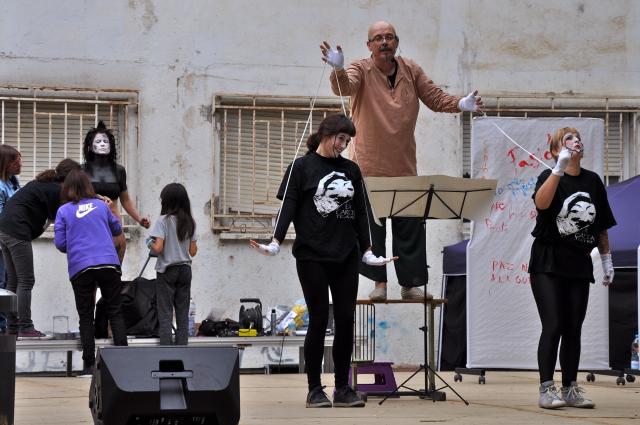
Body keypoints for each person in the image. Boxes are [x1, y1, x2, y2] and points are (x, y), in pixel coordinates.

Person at [320, 21, 484, 301]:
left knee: (410, 227)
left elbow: (434, 97)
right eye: (378, 38)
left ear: (396, 42)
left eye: (389, 37)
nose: (384, 42)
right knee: (372, 230)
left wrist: (460, 104)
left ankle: (410, 286)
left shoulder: (411, 69)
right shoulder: (360, 68)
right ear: (369, 45)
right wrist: (337, 68)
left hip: (404, 165)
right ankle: (380, 285)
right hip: (367, 167)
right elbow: (344, 87)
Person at [250, 114, 395, 408]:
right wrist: (276, 241)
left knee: (346, 320)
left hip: (345, 255)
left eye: (347, 141)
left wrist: (368, 250)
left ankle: (342, 388)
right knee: (318, 319)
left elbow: (362, 212)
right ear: (326, 134)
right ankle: (314, 389)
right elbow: (288, 207)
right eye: (340, 139)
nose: (343, 145)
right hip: (311, 255)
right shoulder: (301, 168)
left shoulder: (351, 170)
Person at [529, 127, 616, 409]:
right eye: (568, 138)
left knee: (573, 328)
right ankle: (546, 389)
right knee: (553, 324)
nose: (576, 141)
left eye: (578, 137)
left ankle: (569, 388)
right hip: (548, 260)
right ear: (556, 149)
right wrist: (558, 169)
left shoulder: (593, 181)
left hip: (579, 261)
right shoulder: (548, 175)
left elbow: (601, 225)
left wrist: (606, 259)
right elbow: (542, 204)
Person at [54, 169, 128, 375]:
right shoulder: (101, 206)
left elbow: (60, 244)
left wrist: (76, 240)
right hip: (108, 263)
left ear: (67, 188)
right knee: (115, 310)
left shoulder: (63, 211)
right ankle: (125, 362)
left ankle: (88, 366)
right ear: (89, 186)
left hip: (81, 267)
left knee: (86, 316)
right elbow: (116, 230)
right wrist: (112, 209)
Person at [0, 158, 81, 338]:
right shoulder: (56, 191)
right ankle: (25, 326)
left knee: (13, 281)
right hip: (17, 230)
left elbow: (41, 224)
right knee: (26, 280)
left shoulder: (43, 184)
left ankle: (12, 327)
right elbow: (59, 220)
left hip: (5, 229)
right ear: (70, 177)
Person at [83, 121, 150, 261]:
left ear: (111, 145)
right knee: (92, 262)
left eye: (105, 141)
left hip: (113, 222)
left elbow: (125, 200)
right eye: (98, 141)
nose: (102, 144)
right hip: (90, 222)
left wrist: (139, 218)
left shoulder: (119, 170)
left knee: (115, 261)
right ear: (90, 145)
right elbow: (74, 198)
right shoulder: (82, 170)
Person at [148, 183, 197, 346]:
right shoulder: (190, 222)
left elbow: (158, 248)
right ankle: (182, 349)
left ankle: (167, 351)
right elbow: (193, 251)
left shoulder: (163, 221)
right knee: (183, 313)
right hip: (185, 270)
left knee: (165, 313)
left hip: (167, 270)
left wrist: (149, 242)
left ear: (167, 201)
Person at [0, 145, 21, 334]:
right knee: (1, 283)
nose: (20, 164)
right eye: (16, 161)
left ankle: (10, 325)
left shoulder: (14, 181)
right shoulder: (0, 186)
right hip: (3, 240)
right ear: (6, 163)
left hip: (11, 239)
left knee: (11, 282)